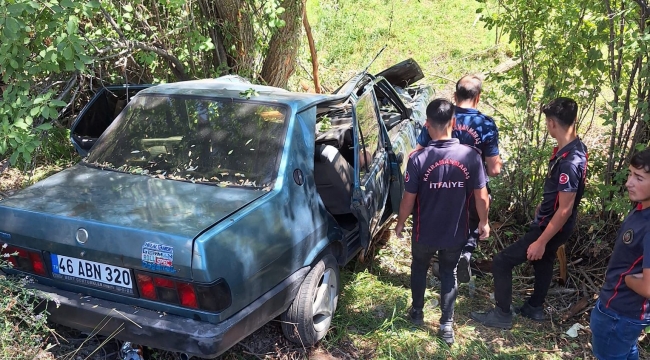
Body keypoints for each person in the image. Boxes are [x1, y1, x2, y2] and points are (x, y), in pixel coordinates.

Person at [470, 97, 588, 329]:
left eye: (547, 122)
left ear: (552, 123)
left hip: (551, 227)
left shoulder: (570, 162)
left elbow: (564, 209)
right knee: (544, 260)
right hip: (555, 222)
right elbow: (561, 199)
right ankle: (534, 307)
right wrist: (543, 206)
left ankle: (502, 314)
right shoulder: (574, 148)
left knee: (502, 262)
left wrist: (542, 240)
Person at [395, 98, 490, 345]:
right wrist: (484, 222)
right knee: (448, 272)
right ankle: (446, 325)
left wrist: (400, 222)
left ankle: (417, 313)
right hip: (455, 231)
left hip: (423, 231)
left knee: (419, 267)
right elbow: (482, 196)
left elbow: (408, 199)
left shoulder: (418, 159)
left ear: (427, 125)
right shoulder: (471, 156)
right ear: (454, 123)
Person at [415, 75, 502, 283]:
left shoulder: (440, 116)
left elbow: (418, 152)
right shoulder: (486, 125)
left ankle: (438, 261)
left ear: (454, 95)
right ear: (478, 98)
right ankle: (464, 255)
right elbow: (494, 170)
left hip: (438, 186)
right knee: (472, 222)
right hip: (471, 188)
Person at [590, 148, 650, 360]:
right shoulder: (642, 207)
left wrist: (627, 279)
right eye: (630, 174)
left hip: (619, 314)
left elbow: (647, 287)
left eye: (639, 177)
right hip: (619, 312)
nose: (628, 183)